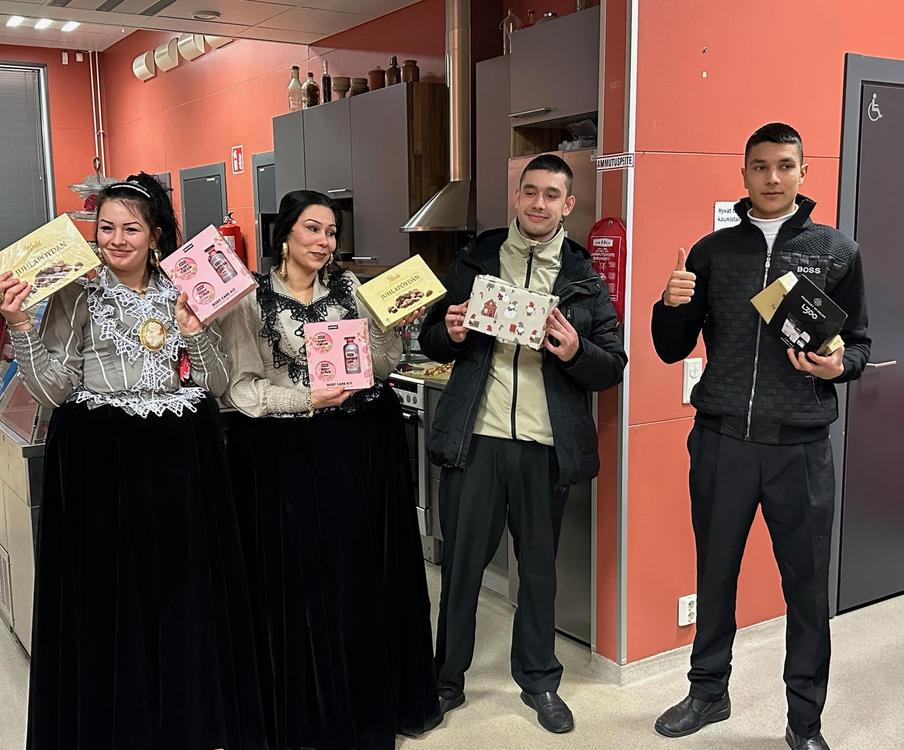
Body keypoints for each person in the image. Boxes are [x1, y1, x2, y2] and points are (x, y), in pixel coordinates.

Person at [0, 172, 266, 750]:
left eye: (131, 229)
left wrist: (194, 333)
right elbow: (55, 391)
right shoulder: (75, 293)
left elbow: (217, 384)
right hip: (104, 466)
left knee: (180, 595)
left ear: (155, 233)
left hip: (179, 465)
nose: (116, 239)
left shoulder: (186, 287)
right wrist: (19, 327)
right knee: (112, 598)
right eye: (106, 227)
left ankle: (184, 723)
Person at [651, 123, 870, 750]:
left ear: (803, 172)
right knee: (715, 573)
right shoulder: (711, 251)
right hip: (721, 439)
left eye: (785, 165)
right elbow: (670, 348)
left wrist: (838, 366)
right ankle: (707, 692)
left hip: (799, 446)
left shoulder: (836, 251)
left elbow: (859, 345)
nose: (772, 178)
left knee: (805, 587)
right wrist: (669, 304)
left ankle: (805, 722)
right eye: (760, 166)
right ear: (743, 173)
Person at [218, 189, 441, 750]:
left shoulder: (353, 291)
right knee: (301, 583)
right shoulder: (249, 301)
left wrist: (390, 327)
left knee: (354, 578)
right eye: (313, 229)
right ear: (285, 234)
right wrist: (305, 399)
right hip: (286, 457)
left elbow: (382, 366)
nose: (324, 241)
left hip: (355, 450)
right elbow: (241, 389)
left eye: (332, 232)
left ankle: (364, 702)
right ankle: (312, 714)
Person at [418, 153, 627, 734]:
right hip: (477, 439)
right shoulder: (476, 260)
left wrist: (575, 351)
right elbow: (432, 336)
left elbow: (613, 364)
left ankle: (539, 680)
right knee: (462, 567)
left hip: (543, 444)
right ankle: (445, 680)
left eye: (551, 195)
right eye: (530, 191)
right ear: (517, 197)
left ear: (568, 204)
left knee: (538, 570)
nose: (539, 203)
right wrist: (451, 333)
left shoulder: (584, 276)